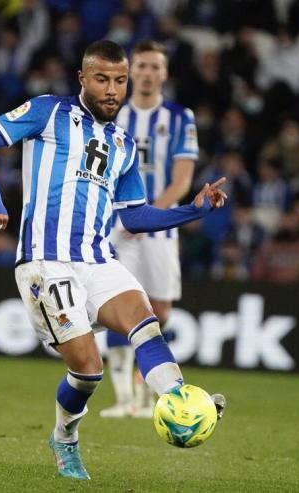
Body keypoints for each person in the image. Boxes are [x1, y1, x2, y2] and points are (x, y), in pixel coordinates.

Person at [0, 40, 226, 480]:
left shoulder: (123, 144)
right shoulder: (49, 111)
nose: (112, 90)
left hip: (95, 257)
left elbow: (136, 215)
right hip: (45, 262)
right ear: (82, 79)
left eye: (119, 81)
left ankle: (181, 402)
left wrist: (194, 209)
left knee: (145, 322)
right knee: (88, 370)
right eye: (102, 79)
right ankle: (64, 438)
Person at [100, 40, 199, 419]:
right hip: (117, 226)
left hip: (158, 227)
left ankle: (144, 393)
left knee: (159, 310)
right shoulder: (114, 115)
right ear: (130, 71)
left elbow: (182, 179)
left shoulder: (179, 117)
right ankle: (124, 396)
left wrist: (147, 216)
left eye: (155, 67)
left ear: (165, 73)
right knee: (115, 305)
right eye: (140, 66)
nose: (147, 73)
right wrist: (127, 218)